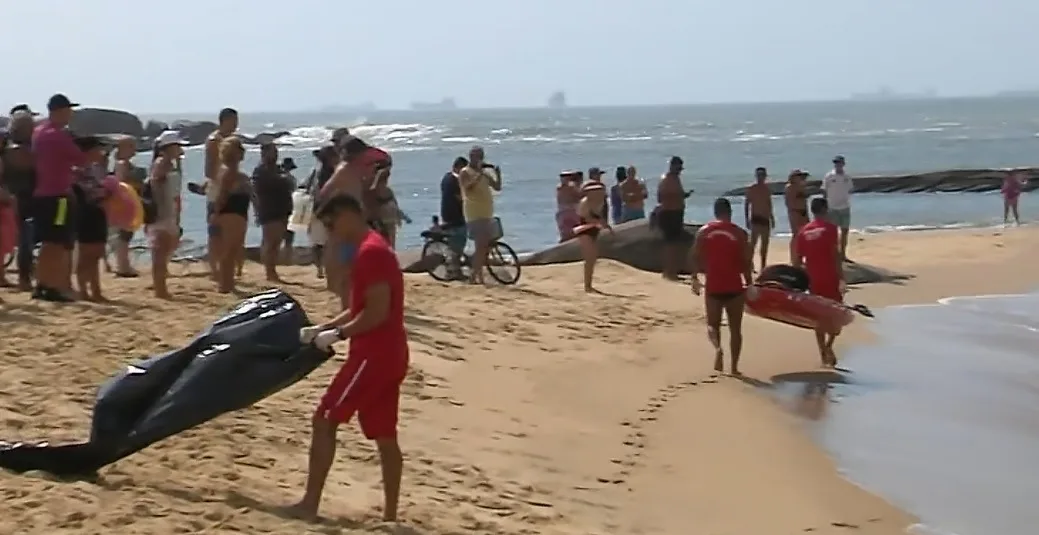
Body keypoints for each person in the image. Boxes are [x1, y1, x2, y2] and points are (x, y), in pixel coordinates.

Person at [292, 193, 408, 522]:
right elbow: (357, 309)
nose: (330, 231)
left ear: (346, 215)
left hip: (374, 354)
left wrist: (339, 335)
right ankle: (390, 516)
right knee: (385, 435)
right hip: (390, 353)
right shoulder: (371, 248)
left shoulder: (372, 253)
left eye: (330, 223)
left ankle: (309, 505)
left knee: (325, 418)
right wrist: (323, 326)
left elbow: (376, 313)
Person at [319, 135, 390, 301]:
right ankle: (345, 300)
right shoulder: (343, 169)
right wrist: (335, 211)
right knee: (347, 263)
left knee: (353, 262)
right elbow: (325, 192)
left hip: (354, 218)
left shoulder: (354, 168)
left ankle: (350, 299)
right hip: (345, 219)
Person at [689, 198, 753, 375]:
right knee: (735, 329)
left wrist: (694, 277)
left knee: (712, 325)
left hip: (714, 285)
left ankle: (718, 349)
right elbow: (746, 261)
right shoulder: (740, 233)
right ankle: (734, 368)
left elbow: (694, 256)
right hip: (734, 286)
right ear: (730, 212)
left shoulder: (703, 232)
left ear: (715, 212)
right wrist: (750, 283)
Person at [31, 94, 85, 302]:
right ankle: (51, 286)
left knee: (48, 242)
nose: (70, 114)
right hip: (58, 196)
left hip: (43, 193)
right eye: (68, 110)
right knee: (57, 242)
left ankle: (43, 284)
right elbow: (79, 158)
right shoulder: (57, 135)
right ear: (59, 111)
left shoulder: (39, 132)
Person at [792, 197, 845, 367]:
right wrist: (842, 278)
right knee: (837, 317)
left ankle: (823, 351)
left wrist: (801, 281)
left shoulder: (803, 231)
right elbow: (836, 256)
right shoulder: (831, 229)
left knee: (819, 318)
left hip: (813, 280)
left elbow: (797, 261)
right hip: (830, 277)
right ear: (825, 209)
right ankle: (828, 346)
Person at [1, 107, 38, 290]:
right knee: (25, 240)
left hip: (9, 196)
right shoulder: (28, 151)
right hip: (25, 198)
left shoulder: (6, 150)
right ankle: (24, 278)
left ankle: (3, 276)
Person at [147, 131, 187, 299]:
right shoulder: (162, 163)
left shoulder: (169, 163)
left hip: (169, 212)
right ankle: (160, 288)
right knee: (160, 252)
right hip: (162, 213)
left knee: (166, 250)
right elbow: (157, 186)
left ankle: (161, 286)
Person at [71, 136, 112, 301]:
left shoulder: (95, 168)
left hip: (98, 211)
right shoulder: (77, 169)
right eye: (97, 149)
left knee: (96, 252)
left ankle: (96, 290)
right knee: (86, 253)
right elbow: (85, 191)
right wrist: (104, 193)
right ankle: (83, 290)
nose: (100, 152)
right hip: (86, 212)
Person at [458, 145, 503, 284]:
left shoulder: (483, 174)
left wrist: (497, 174)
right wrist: (479, 174)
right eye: (477, 156)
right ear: (471, 157)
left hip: (487, 213)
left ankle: (477, 275)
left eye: (481, 156)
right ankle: (474, 277)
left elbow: (497, 187)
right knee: (480, 246)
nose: (479, 158)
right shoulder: (465, 172)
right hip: (475, 213)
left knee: (484, 247)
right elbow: (467, 187)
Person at [203, 108, 239, 278]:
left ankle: (227, 266)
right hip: (217, 189)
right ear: (224, 120)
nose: (236, 125)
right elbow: (209, 170)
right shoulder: (214, 140)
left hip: (230, 188)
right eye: (233, 121)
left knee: (230, 230)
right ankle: (214, 268)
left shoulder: (232, 140)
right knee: (215, 230)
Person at [212, 136, 250, 294]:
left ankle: (228, 282)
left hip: (238, 211)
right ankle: (225, 284)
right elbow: (222, 195)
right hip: (231, 212)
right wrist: (216, 213)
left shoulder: (231, 172)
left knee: (233, 249)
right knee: (229, 249)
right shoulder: (229, 173)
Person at [252, 143, 294, 282]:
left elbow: (290, 184)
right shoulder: (260, 171)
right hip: (269, 209)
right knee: (270, 241)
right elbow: (262, 188)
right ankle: (269, 272)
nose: (275, 155)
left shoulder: (277, 169)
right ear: (264, 154)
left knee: (277, 241)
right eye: (272, 152)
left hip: (282, 208)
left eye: (276, 152)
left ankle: (273, 270)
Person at [304, 145, 339, 280]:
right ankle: (329, 269)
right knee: (331, 242)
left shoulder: (315, 172)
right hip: (328, 211)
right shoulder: (332, 174)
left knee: (317, 243)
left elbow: (305, 188)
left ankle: (319, 268)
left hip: (315, 211)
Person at [574, 178, 613, 292]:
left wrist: (606, 226)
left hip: (594, 229)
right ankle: (587, 286)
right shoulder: (585, 203)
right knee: (589, 258)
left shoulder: (600, 203)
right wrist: (600, 223)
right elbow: (587, 218)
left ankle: (589, 284)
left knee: (593, 258)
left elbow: (599, 218)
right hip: (585, 230)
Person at [110, 136, 141, 278]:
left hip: (124, 201)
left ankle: (122, 264)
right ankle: (123, 266)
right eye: (131, 146)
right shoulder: (121, 164)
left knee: (124, 235)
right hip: (124, 202)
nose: (134, 149)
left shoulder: (119, 163)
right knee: (123, 235)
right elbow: (121, 184)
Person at [656, 156, 690, 280]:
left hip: (674, 212)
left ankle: (670, 271)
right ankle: (670, 272)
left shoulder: (674, 179)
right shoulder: (668, 179)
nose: (680, 170)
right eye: (679, 167)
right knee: (671, 244)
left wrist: (682, 195)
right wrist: (678, 196)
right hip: (670, 213)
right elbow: (661, 197)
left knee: (673, 243)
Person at [744, 166, 775, 271]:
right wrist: (746, 219)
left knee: (765, 245)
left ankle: (763, 265)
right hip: (755, 219)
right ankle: (749, 265)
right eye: (759, 175)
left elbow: (769, 204)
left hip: (765, 219)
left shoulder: (767, 189)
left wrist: (772, 217)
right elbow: (747, 204)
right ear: (756, 176)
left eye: (763, 175)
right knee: (752, 244)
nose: (761, 177)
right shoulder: (752, 189)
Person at [822, 155, 853, 259]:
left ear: (843, 164)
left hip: (845, 207)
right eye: (836, 163)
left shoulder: (847, 177)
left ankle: (843, 254)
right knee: (832, 233)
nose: (837, 165)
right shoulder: (829, 176)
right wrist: (825, 206)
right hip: (832, 207)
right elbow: (824, 191)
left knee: (845, 231)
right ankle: (833, 253)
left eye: (839, 163)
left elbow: (850, 189)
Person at [440, 157, 468, 261]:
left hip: (448, 215)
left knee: (454, 244)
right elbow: (461, 198)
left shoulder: (447, 177)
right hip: (455, 217)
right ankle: (453, 268)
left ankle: (453, 266)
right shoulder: (454, 181)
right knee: (458, 244)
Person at [555, 170, 582, 242]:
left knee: (564, 230)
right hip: (571, 210)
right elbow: (578, 196)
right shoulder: (572, 186)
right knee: (574, 228)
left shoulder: (559, 187)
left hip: (562, 210)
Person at [280, 157, 299, 259]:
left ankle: (282, 255)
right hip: (290, 206)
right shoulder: (291, 179)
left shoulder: (278, 178)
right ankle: (287, 255)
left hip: (279, 207)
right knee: (289, 233)